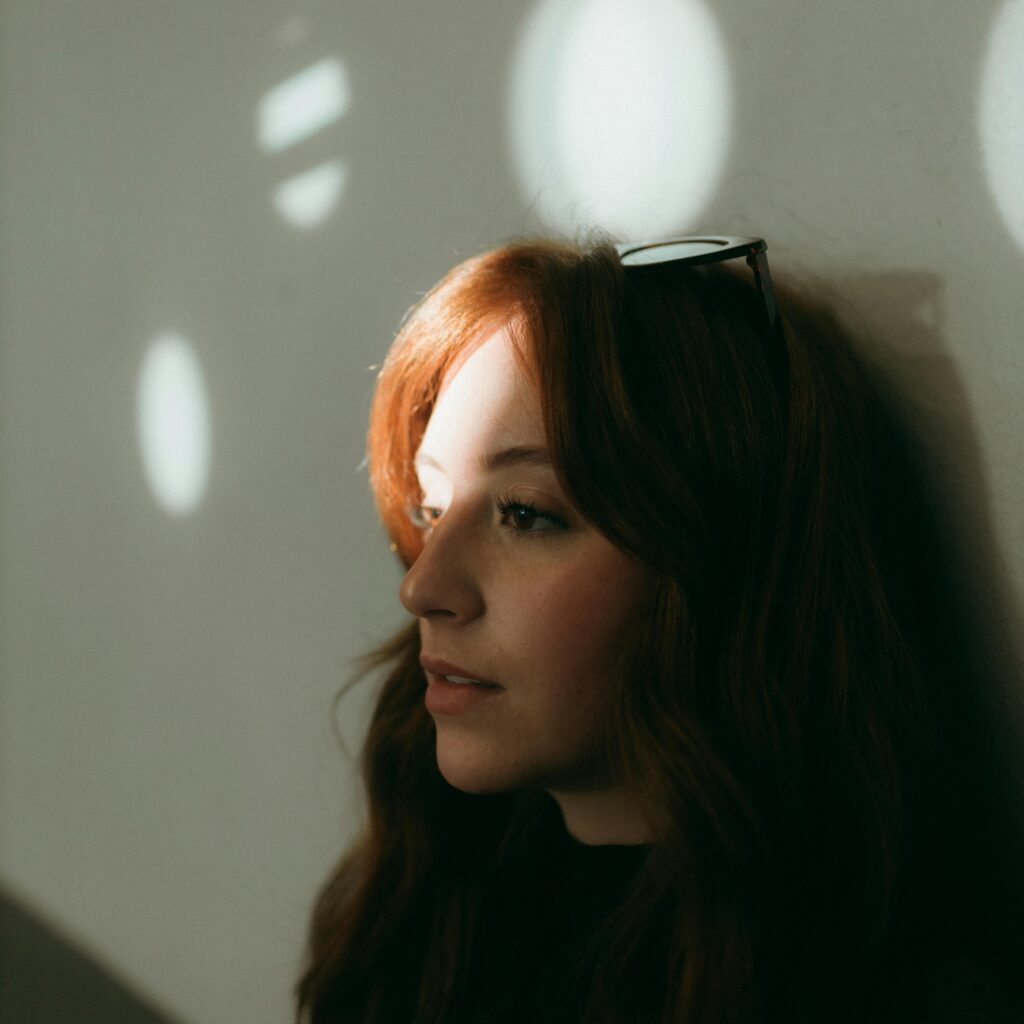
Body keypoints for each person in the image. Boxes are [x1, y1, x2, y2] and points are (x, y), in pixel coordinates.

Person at [295, 236, 1021, 1023]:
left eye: (527, 514)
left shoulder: (888, 994)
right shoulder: (427, 912)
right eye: (432, 511)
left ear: (726, 559)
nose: (421, 588)